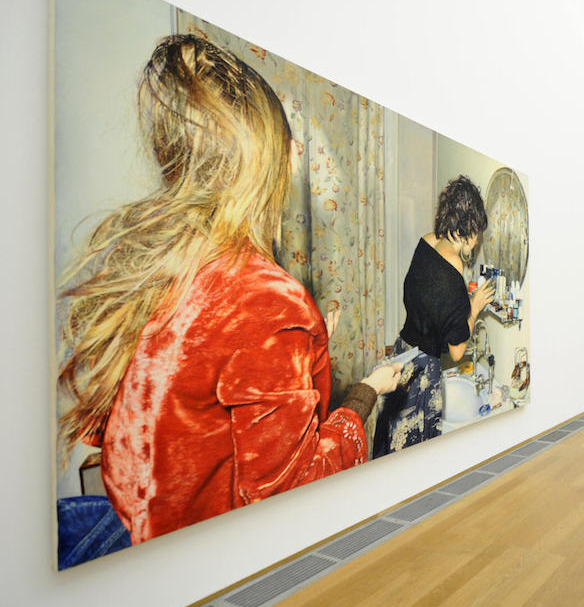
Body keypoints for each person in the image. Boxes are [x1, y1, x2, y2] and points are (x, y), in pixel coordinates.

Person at [57, 35, 404, 548]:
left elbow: (150, 420)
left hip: (129, 533)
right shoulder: (265, 297)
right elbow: (298, 494)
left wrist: (300, 348)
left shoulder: (158, 267)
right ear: (273, 161)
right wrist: (366, 392)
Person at [372, 176, 493, 456]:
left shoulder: (426, 242)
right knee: (414, 458)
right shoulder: (454, 274)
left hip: (401, 354)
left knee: (390, 447)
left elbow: (425, 301)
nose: (475, 244)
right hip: (423, 373)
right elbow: (458, 349)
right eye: (477, 235)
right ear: (470, 228)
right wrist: (473, 308)